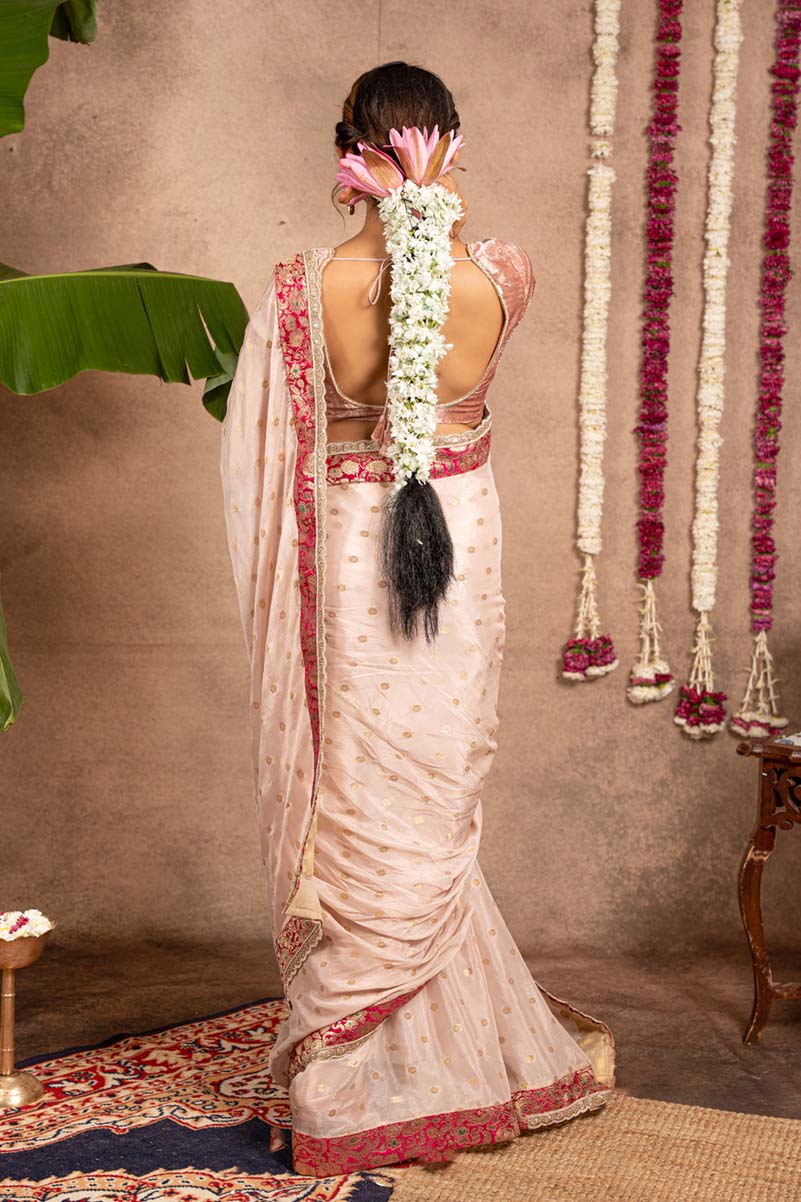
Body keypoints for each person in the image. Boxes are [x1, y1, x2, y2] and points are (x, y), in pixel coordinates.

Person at [220, 59, 615, 1179]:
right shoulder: (505, 273)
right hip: (461, 533)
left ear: (348, 157)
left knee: (360, 777)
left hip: (354, 546)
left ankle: (353, 1060)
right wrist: (437, 222)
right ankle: (436, 1037)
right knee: (434, 779)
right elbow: (443, 301)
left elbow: (264, 463)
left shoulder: (300, 289)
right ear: (450, 145)